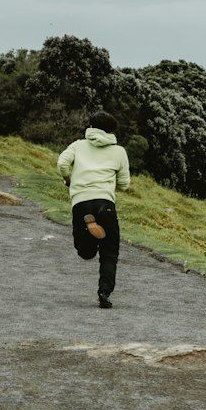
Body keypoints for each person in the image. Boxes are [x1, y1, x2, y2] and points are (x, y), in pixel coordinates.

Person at [57, 111, 131, 308]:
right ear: (111, 131)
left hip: (81, 203)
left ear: (91, 126)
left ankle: (91, 233)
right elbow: (124, 184)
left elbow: (62, 163)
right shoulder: (119, 152)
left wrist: (68, 179)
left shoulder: (78, 145)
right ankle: (104, 293)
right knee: (110, 253)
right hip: (105, 204)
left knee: (86, 252)